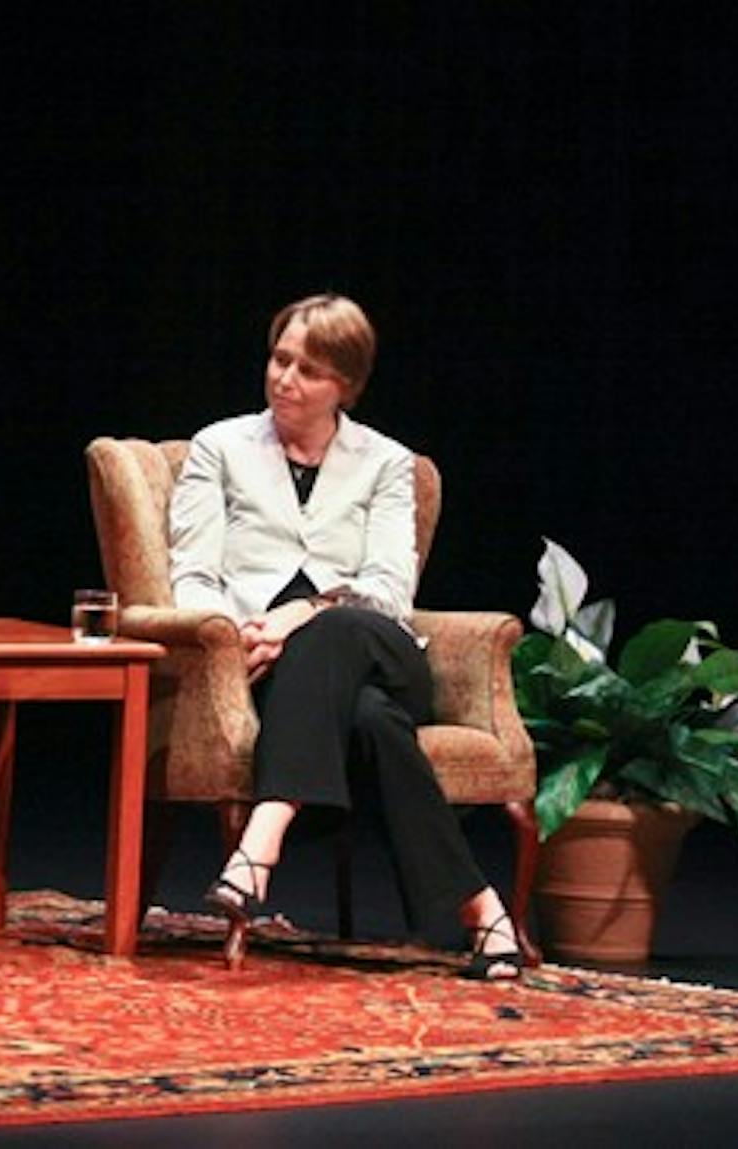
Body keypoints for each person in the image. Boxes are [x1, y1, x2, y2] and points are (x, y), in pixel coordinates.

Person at [168, 293, 523, 980]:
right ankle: (484, 911)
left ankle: (259, 840)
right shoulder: (221, 447)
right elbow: (193, 574)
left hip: (382, 652)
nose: (285, 379)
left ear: (346, 386)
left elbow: (390, 589)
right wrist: (232, 635)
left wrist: (302, 614)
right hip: (270, 669)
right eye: (279, 358)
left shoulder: (387, 463)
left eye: (308, 369)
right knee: (371, 724)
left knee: (337, 630)